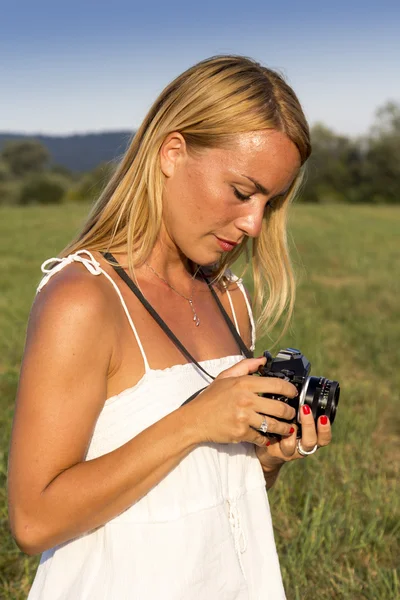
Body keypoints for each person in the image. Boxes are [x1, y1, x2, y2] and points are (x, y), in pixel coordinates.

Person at [7, 55, 332, 599]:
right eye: (240, 191)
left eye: (268, 202)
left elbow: (198, 495)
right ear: (172, 152)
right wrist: (194, 421)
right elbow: (34, 519)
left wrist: (265, 463)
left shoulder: (231, 301)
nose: (254, 223)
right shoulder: (84, 299)